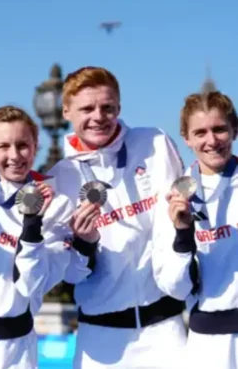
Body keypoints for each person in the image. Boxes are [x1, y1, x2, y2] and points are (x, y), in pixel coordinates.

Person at [47, 66, 188, 368]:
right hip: (101, 337)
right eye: (87, 108)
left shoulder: (154, 144)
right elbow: (69, 275)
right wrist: (85, 244)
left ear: (119, 108)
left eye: (107, 107)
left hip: (165, 328)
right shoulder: (60, 179)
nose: (98, 116)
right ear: (67, 111)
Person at [0, 106, 98, 369]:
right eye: (3, 146)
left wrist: (32, 225)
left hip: (13, 348)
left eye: (23, 145)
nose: (14, 156)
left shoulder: (58, 207)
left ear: (36, 147)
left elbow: (33, 284)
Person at [153, 91, 238, 369]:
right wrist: (183, 234)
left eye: (220, 129)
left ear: (234, 130)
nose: (211, 141)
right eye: (200, 132)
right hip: (208, 343)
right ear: (186, 138)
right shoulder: (176, 197)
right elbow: (175, 289)